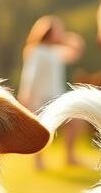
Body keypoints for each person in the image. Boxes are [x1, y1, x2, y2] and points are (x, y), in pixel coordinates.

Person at [17, 15, 85, 170]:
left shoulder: (55, 52)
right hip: (39, 97)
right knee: (41, 130)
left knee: (75, 120)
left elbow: (76, 51)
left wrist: (66, 38)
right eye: (58, 30)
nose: (61, 33)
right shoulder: (36, 51)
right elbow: (29, 75)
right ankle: (39, 162)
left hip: (56, 96)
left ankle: (70, 157)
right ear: (48, 32)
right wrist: (26, 95)